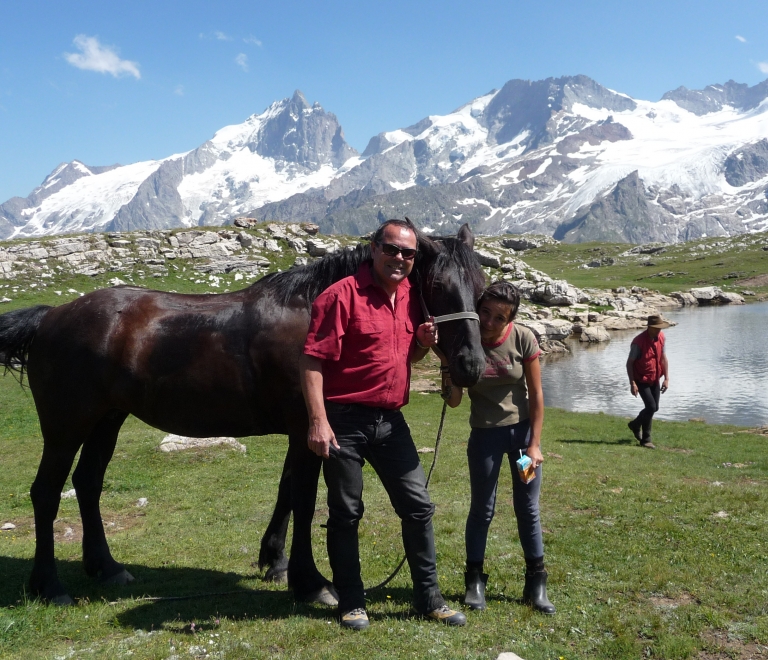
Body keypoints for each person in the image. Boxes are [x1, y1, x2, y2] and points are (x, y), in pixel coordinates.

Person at [300, 218, 467, 631]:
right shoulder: (341, 296)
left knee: (418, 507)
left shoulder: (411, 297)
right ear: (373, 248)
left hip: (391, 420)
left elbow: (403, 359)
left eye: (408, 253)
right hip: (344, 420)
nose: (400, 259)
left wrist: (422, 346)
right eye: (391, 249)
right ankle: (352, 602)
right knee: (346, 512)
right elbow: (312, 360)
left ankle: (429, 598)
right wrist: (318, 421)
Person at [439, 281, 555, 615]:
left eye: (499, 317)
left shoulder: (523, 338)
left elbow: (536, 395)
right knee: (482, 509)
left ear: (510, 319)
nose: (489, 322)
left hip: (521, 442)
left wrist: (534, 444)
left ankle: (536, 582)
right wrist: (447, 366)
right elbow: (456, 402)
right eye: (485, 312)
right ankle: (474, 581)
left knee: (527, 508)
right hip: (485, 440)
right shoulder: (467, 340)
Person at [626, 314, 671, 449]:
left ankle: (635, 424)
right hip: (641, 379)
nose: (659, 331)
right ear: (649, 327)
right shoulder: (638, 342)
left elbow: (664, 359)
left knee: (654, 407)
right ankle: (646, 439)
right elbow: (629, 364)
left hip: (655, 378)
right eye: (657, 328)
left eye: (660, 328)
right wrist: (632, 383)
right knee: (651, 407)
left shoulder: (661, 338)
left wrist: (666, 378)